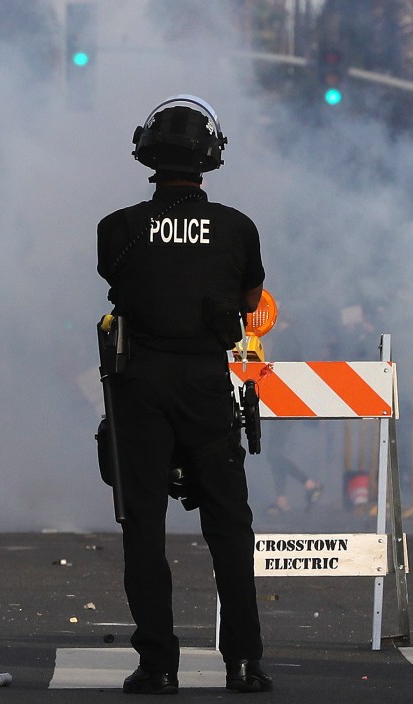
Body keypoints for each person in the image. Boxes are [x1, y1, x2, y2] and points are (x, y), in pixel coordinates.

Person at [96, 97, 270, 695]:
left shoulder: (116, 228)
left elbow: (118, 281)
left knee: (143, 525)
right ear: (210, 157)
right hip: (204, 383)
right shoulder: (238, 228)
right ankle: (244, 663)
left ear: (147, 152)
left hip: (139, 385)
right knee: (229, 524)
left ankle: (158, 665)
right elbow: (250, 302)